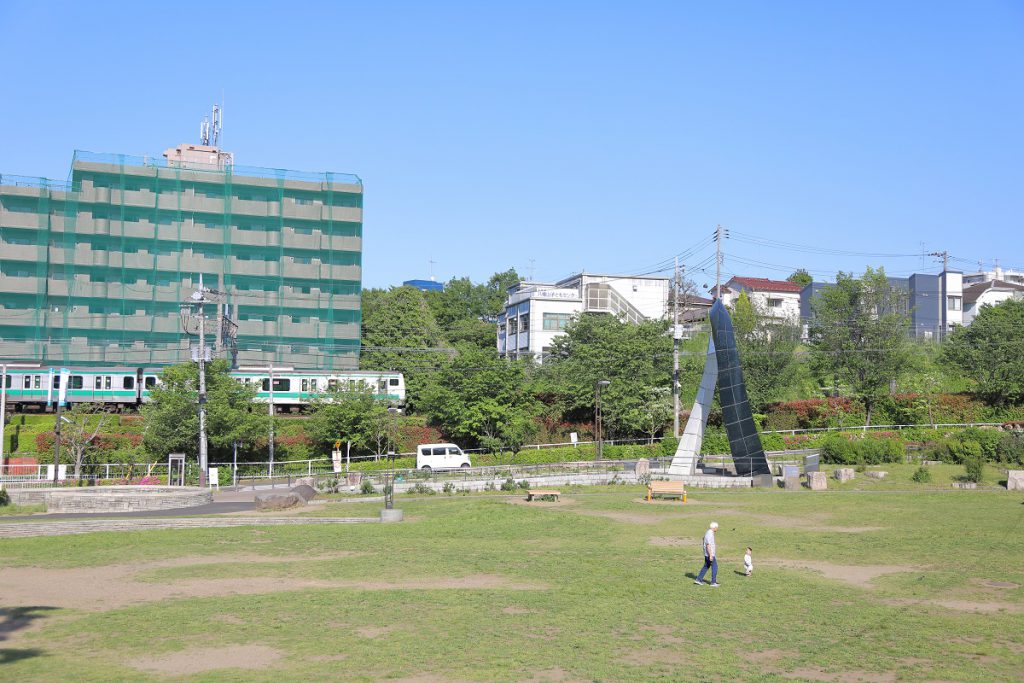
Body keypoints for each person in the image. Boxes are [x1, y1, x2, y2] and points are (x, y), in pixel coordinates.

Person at [694, 522, 719, 587]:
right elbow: (708, 545)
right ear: (714, 527)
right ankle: (713, 582)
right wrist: (710, 555)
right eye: (717, 527)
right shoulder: (710, 533)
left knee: (706, 566)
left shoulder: (708, 532)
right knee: (715, 567)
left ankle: (698, 579)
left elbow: (703, 539)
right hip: (709, 554)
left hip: (707, 553)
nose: (717, 529)